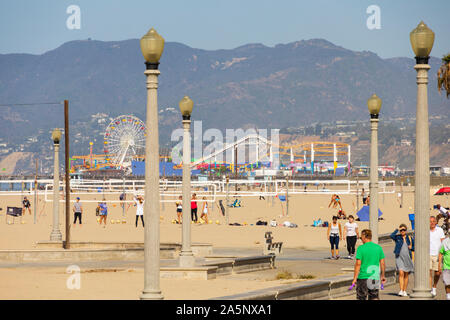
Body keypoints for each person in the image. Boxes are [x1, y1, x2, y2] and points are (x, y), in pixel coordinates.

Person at [351, 229, 386, 300]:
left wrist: (354, 278)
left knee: (361, 297)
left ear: (364, 237)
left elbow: (358, 264)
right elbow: (382, 263)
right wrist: (383, 276)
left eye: (361, 238)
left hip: (363, 277)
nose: (361, 240)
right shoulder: (378, 248)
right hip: (374, 277)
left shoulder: (361, 248)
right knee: (374, 297)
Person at [390, 224, 414, 297]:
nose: (402, 231)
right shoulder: (397, 237)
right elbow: (391, 236)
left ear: (406, 230)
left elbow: (414, 247)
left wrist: (411, 247)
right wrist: (397, 229)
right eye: (401, 230)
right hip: (399, 257)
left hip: (407, 257)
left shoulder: (409, 238)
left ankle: (404, 290)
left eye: (404, 230)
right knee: (401, 272)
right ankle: (401, 290)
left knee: (406, 275)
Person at [430, 216, 445, 297]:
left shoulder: (440, 230)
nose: (432, 223)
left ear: (436, 222)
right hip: (428, 254)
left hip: (437, 254)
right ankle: (428, 290)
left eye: (433, 221)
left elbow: (443, 242)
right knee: (428, 272)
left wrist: (443, 254)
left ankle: (434, 286)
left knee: (438, 273)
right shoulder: (426, 230)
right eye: (430, 221)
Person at [438, 235, 450, 300]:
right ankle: (448, 296)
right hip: (446, 267)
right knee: (447, 282)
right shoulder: (445, 243)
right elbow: (440, 253)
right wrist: (439, 265)